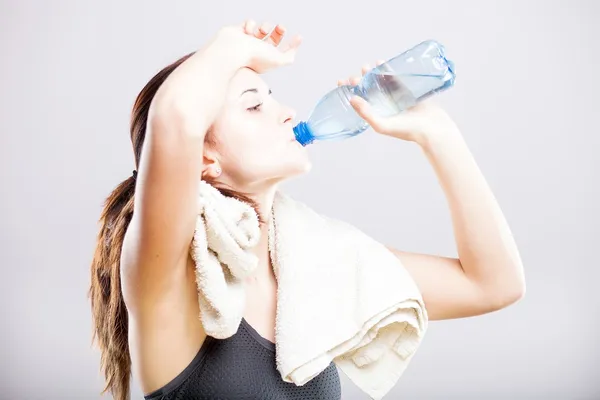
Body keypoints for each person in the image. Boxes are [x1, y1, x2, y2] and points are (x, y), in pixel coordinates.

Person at [89, 20, 526, 400]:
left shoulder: (318, 266)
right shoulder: (165, 271)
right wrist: (229, 44)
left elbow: (493, 283)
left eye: (271, 96)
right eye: (254, 104)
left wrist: (438, 135)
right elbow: (176, 116)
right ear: (204, 157)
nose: (287, 112)